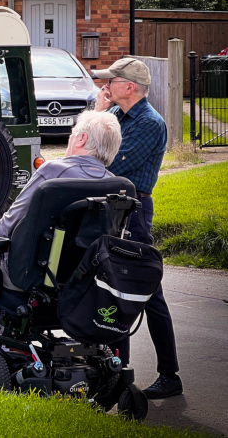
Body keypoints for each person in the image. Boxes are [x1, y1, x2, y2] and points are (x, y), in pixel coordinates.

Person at [0, 110, 123, 361]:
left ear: (81, 139)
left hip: (32, 280)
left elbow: (8, 225)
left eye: (72, 134)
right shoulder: (117, 185)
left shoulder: (55, 173)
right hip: (83, 284)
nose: (71, 139)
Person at [93, 57, 183, 399]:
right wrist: (100, 112)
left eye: (111, 81)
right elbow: (85, 145)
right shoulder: (115, 115)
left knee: (147, 291)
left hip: (134, 210)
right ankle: (117, 370)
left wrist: (97, 130)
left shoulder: (149, 123)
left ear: (128, 87)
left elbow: (107, 162)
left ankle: (169, 375)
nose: (105, 86)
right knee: (110, 287)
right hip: (110, 207)